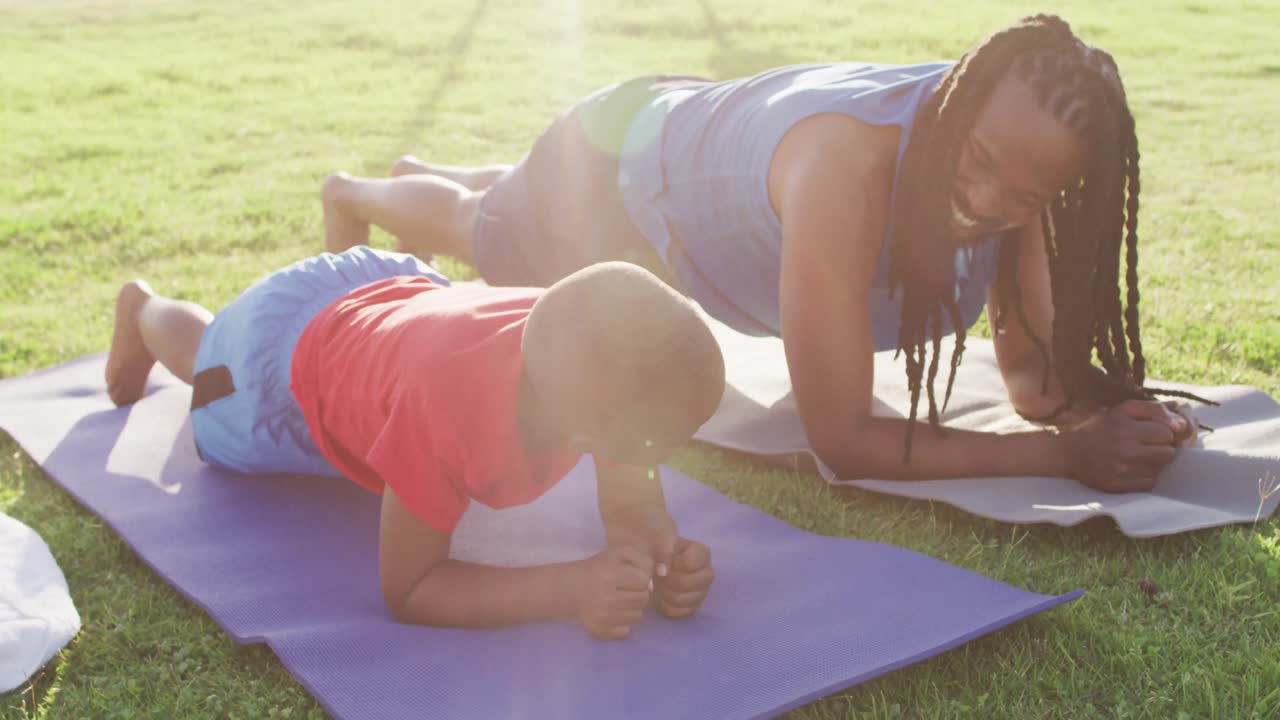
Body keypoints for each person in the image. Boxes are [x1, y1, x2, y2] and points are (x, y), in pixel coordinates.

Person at [320, 14, 1208, 493]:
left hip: (702, 139)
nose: (985, 206)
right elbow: (841, 438)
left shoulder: (1019, 181)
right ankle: (363, 191)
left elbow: (1035, 383)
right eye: (976, 166)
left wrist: (1109, 415)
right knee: (487, 230)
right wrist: (1059, 459)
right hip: (618, 164)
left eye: (1024, 196)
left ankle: (466, 179)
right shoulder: (843, 174)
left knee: (504, 198)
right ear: (952, 111)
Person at [104, 247, 726, 640]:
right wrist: (573, 587)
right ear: (588, 431)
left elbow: (631, 503)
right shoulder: (444, 410)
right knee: (207, 362)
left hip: (395, 297)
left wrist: (657, 550)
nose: (655, 460)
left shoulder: (596, 361)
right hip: (282, 359)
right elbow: (411, 589)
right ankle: (144, 309)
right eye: (652, 447)